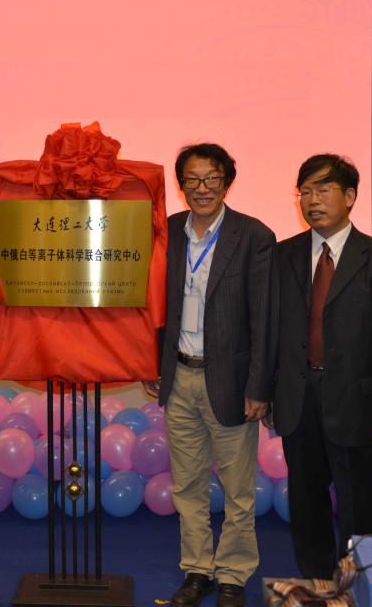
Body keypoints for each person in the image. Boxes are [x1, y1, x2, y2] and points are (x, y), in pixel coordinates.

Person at [270, 154, 372, 579]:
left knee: (360, 503)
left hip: (358, 401)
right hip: (298, 398)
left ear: (349, 196)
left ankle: (361, 584)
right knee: (305, 499)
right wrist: (270, 392)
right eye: (305, 192)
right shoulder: (282, 255)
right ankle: (315, 581)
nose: (312, 200)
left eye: (323, 190)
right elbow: (272, 331)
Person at [154, 143, 275, 607]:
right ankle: (197, 570)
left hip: (232, 382)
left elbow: (264, 318)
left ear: (227, 182)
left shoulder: (253, 235)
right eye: (192, 179)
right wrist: (152, 363)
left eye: (212, 179)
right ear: (180, 184)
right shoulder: (167, 232)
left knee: (238, 490)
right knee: (187, 486)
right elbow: (153, 305)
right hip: (180, 376)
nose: (202, 188)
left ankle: (233, 575)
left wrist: (259, 385)